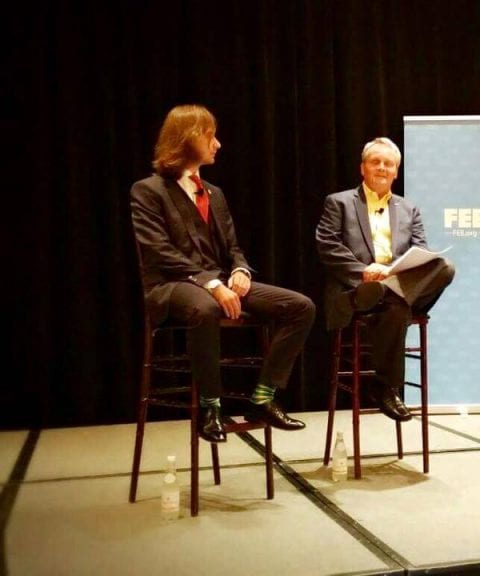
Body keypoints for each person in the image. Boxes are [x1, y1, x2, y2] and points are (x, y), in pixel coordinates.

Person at [130, 104, 316, 442]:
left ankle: (262, 398)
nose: (217, 144)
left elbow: (232, 247)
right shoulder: (148, 190)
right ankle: (210, 406)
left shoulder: (214, 193)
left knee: (300, 307)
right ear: (189, 138)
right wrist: (213, 283)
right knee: (206, 307)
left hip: (216, 281)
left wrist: (240, 270)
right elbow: (159, 251)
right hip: (171, 285)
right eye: (210, 136)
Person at [316, 137, 455, 421]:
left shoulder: (409, 209)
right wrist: (362, 271)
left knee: (445, 268)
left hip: (394, 284)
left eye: (388, 164)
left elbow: (421, 251)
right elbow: (327, 246)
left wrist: (394, 271)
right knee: (394, 303)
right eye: (375, 162)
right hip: (355, 288)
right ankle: (388, 387)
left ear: (396, 172)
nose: (381, 167)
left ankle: (389, 295)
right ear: (362, 168)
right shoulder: (339, 202)